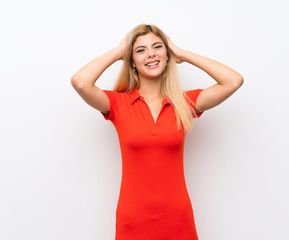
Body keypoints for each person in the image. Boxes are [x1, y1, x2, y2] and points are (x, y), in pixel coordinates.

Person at [71, 24, 243, 240]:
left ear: (167, 54)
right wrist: (117, 52)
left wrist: (182, 54)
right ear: (132, 61)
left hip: (178, 220)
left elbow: (233, 81)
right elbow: (80, 82)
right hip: (132, 221)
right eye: (140, 50)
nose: (150, 53)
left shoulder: (184, 103)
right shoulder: (118, 104)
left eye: (157, 47)